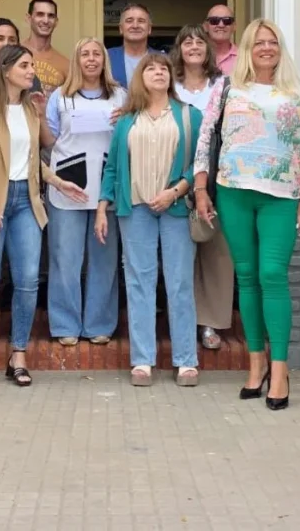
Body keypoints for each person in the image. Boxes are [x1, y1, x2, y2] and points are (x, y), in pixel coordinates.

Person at [194, 19, 300, 411]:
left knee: (272, 274)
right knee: (246, 278)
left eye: (273, 42)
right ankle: (256, 365)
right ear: (247, 48)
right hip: (234, 191)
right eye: (259, 42)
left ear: (280, 49)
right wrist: (201, 188)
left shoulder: (296, 93)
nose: (266, 48)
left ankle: (280, 371)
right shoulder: (227, 87)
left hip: (281, 195)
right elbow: (205, 137)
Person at [0, 44, 87, 389]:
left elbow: (29, 161)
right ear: (7, 68)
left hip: (24, 201)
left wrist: (57, 181)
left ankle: (18, 354)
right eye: (26, 65)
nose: (33, 71)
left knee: (28, 280)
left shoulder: (29, 108)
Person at [95, 54, 200, 388]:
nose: (158, 72)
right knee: (139, 283)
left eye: (164, 68)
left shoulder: (189, 116)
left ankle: (186, 360)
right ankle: (142, 360)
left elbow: (200, 163)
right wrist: (102, 206)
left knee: (179, 282)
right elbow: (112, 167)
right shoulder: (126, 120)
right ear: (140, 77)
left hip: (176, 207)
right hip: (135, 208)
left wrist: (175, 192)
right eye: (151, 68)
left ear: (172, 76)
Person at [43, 38, 126, 346]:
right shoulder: (59, 96)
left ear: (104, 60)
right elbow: (49, 140)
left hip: (107, 186)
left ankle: (100, 323)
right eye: (84, 54)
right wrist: (39, 115)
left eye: (96, 54)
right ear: (76, 61)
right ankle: (65, 324)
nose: (91, 59)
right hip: (69, 185)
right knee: (65, 258)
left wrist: (126, 119)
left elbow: (132, 138)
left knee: (104, 258)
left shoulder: (121, 96)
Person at [170, 25, 234, 351]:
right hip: (172, 176)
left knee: (216, 252)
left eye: (199, 41)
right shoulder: (169, 85)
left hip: (216, 176)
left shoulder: (223, 85)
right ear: (178, 49)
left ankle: (210, 323)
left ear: (209, 49)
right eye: (187, 42)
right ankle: (180, 320)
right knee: (180, 254)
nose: (193, 46)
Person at [106, 3, 164, 86]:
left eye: (141, 21)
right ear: (121, 28)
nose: (135, 26)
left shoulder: (163, 59)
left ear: (149, 29)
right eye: (129, 21)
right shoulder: (107, 57)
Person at [24, 0, 71, 95]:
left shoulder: (66, 64)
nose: (45, 21)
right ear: (29, 18)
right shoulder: (13, 53)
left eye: (51, 16)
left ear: (56, 22)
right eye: (40, 14)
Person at [203, 4, 238, 76]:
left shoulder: (245, 58)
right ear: (205, 26)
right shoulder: (196, 56)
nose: (221, 25)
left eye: (227, 21)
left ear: (234, 26)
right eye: (214, 21)